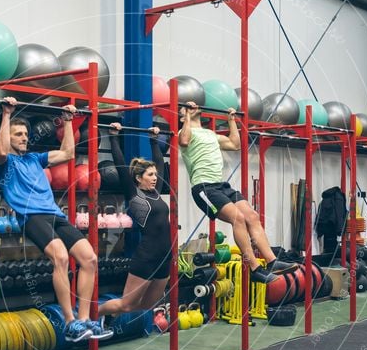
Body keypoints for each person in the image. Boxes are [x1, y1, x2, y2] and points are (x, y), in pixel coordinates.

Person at [0, 97, 111, 342]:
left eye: (26, 133)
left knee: (89, 259)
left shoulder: (35, 159)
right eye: (18, 134)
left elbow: (68, 153)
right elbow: (2, 150)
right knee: (60, 256)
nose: (24, 137)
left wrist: (69, 122)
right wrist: (6, 114)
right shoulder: (4, 164)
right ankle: (69, 323)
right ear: (8, 136)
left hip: (54, 215)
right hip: (30, 216)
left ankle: (83, 320)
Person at [178, 102, 294, 283]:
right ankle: (255, 268)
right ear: (182, 116)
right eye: (186, 108)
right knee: (238, 218)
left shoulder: (210, 134)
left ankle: (271, 261)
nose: (194, 106)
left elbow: (234, 144)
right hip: (203, 189)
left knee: (252, 216)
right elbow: (183, 141)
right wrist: (186, 117)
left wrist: (231, 121)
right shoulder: (184, 132)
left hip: (221, 185)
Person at [98, 123, 171, 321]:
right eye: (150, 175)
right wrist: (113, 136)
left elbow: (159, 161)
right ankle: (91, 315)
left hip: (165, 256)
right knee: (127, 304)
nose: (155, 178)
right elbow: (121, 165)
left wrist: (153, 140)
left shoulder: (156, 193)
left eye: (155, 174)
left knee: (147, 305)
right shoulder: (135, 195)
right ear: (138, 178)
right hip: (147, 256)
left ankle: (111, 316)